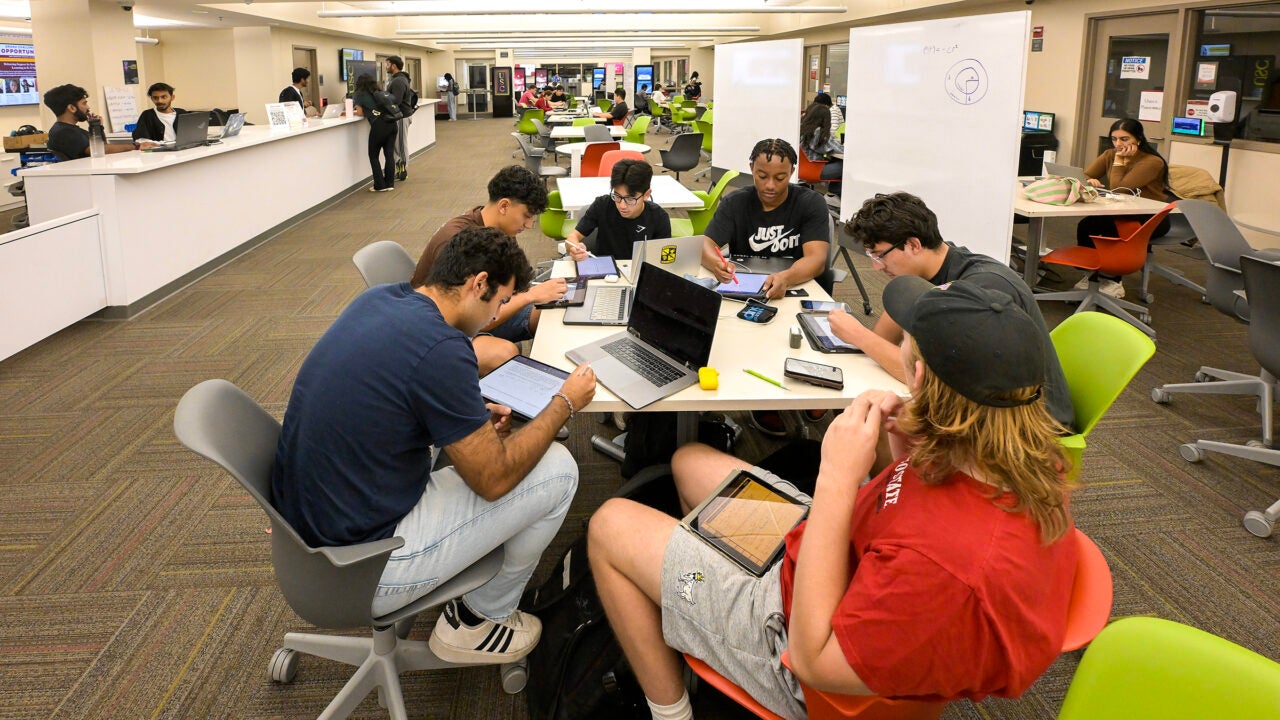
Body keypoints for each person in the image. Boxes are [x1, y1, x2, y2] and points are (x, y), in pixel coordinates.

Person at [588, 275, 1079, 720]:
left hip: (794, 638)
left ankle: (670, 712)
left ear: (920, 378)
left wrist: (837, 478)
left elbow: (812, 660)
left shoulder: (943, 568)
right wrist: (905, 445)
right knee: (690, 460)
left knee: (610, 526)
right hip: (833, 562)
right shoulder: (1019, 455)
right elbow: (908, 511)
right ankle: (697, 596)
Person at [272, 226, 596, 664]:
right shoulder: (442, 348)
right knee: (559, 468)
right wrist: (564, 403)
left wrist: (470, 421)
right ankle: (482, 619)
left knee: (492, 449)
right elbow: (493, 479)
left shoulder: (381, 299)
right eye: (500, 302)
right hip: (364, 566)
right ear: (478, 283)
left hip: (308, 536)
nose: (496, 315)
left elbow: (389, 400)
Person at [828, 191, 1075, 430]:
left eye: (880, 256)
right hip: (981, 405)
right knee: (875, 409)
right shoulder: (933, 269)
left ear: (913, 244)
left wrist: (859, 335)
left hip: (1026, 422)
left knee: (881, 418)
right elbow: (884, 339)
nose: (876, 267)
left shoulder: (982, 290)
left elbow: (928, 377)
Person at [412, 166, 567, 370]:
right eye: (526, 215)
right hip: (445, 327)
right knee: (504, 352)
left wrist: (532, 295)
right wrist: (529, 296)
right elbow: (468, 315)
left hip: (482, 306)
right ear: (503, 206)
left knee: (550, 310)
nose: (529, 225)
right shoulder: (459, 243)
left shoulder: (493, 230)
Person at [701, 138, 830, 300]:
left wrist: (786, 278)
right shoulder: (734, 203)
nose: (770, 185)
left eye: (780, 178)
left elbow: (816, 259)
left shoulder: (810, 203)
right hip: (746, 291)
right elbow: (706, 245)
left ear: (791, 172)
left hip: (797, 286)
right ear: (751, 169)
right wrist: (716, 264)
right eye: (762, 176)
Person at [1074, 117, 1172, 299]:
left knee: (1114, 229)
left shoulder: (1152, 162)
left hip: (1150, 217)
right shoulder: (1109, 154)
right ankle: (1091, 274)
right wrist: (1089, 181)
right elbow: (1084, 175)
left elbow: (1120, 189)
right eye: (1114, 139)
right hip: (1120, 211)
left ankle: (1112, 280)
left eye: (1124, 139)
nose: (1118, 144)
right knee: (1087, 226)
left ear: (1138, 139)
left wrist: (1119, 161)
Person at [565, 159, 672, 260]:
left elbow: (664, 259)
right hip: (604, 270)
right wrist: (574, 248)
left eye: (630, 199)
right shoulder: (602, 205)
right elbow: (573, 236)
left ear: (646, 194)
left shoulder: (659, 217)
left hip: (640, 272)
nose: (622, 205)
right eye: (617, 196)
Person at [43, 84, 137, 159]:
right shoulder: (63, 132)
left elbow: (102, 146)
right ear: (71, 108)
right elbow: (101, 150)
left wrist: (96, 127)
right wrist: (135, 147)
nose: (88, 107)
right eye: (84, 103)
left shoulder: (69, 129)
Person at [350, 73, 397, 193]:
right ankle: (390, 183)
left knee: (373, 156)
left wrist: (351, 112)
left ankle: (380, 185)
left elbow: (360, 112)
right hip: (392, 123)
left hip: (379, 126)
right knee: (389, 154)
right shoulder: (379, 91)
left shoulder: (359, 94)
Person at [799, 101, 843, 196]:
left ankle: (833, 195)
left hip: (803, 168)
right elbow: (839, 150)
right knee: (846, 164)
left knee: (836, 161)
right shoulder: (818, 132)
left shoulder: (804, 129)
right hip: (814, 170)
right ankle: (834, 193)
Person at [384, 56, 414, 181]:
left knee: (401, 144)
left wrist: (383, 99)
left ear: (394, 65)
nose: (386, 66)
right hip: (399, 116)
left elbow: (395, 100)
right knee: (397, 143)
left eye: (387, 64)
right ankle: (399, 167)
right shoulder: (397, 79)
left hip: (401, 116)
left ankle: (402, 170)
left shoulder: (398, 81)